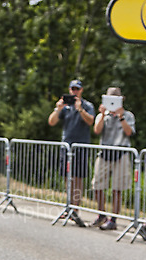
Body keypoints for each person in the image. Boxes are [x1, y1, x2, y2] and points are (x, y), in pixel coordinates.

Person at [48, 79, 95, 227]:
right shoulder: (65, 107)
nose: (74, 91)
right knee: (68, 178)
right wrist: (58, 108)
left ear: (81, 90)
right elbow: (51, 122)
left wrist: (80, 109)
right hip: (66, 147)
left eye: (77, 89)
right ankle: (68, 207)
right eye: (72, 89)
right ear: (69, 90)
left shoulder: (87, 106)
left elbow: (90, 121)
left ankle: (75, 209)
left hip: (80, 146)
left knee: (78, 179)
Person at [91, 87, 135, 230]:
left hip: (121, 154)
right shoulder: (103, 115)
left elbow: (129, 132)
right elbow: (97, 130)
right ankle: (101, 214)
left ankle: (113, 219)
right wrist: (102, 115)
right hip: (104, 152)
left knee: (117, 188)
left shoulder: (128, 115)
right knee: (97, 185)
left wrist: (121, 117)